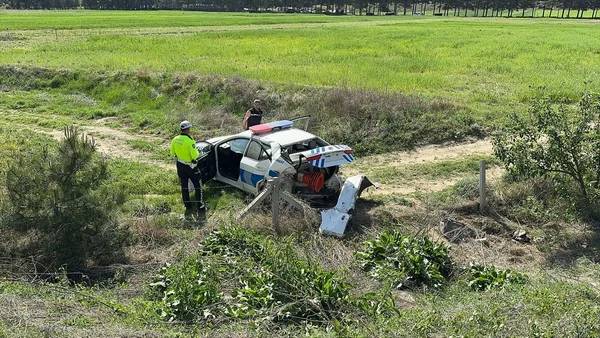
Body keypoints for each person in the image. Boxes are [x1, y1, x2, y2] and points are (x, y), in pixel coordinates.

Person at [170, 120, 206, 221]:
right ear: (188, 129)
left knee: (184, 185)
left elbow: (172, 153)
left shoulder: (175, 139)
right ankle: (200, 206)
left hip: (180, 165)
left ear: (181, 129)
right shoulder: (190, 141)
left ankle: (188, 206)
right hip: (191, 166)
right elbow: (195, 155)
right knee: (197, 186)